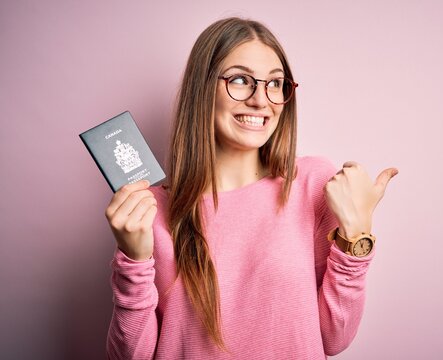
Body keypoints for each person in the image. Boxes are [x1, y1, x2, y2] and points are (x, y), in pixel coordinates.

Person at [105, 17, 398, 360]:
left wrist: (357, 233)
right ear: (202, 89)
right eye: (241, 80)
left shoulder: (312, 183)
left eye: (275, 84)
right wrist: (133, 260)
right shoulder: (148, 211)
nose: (262, 100)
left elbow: (334, 337)